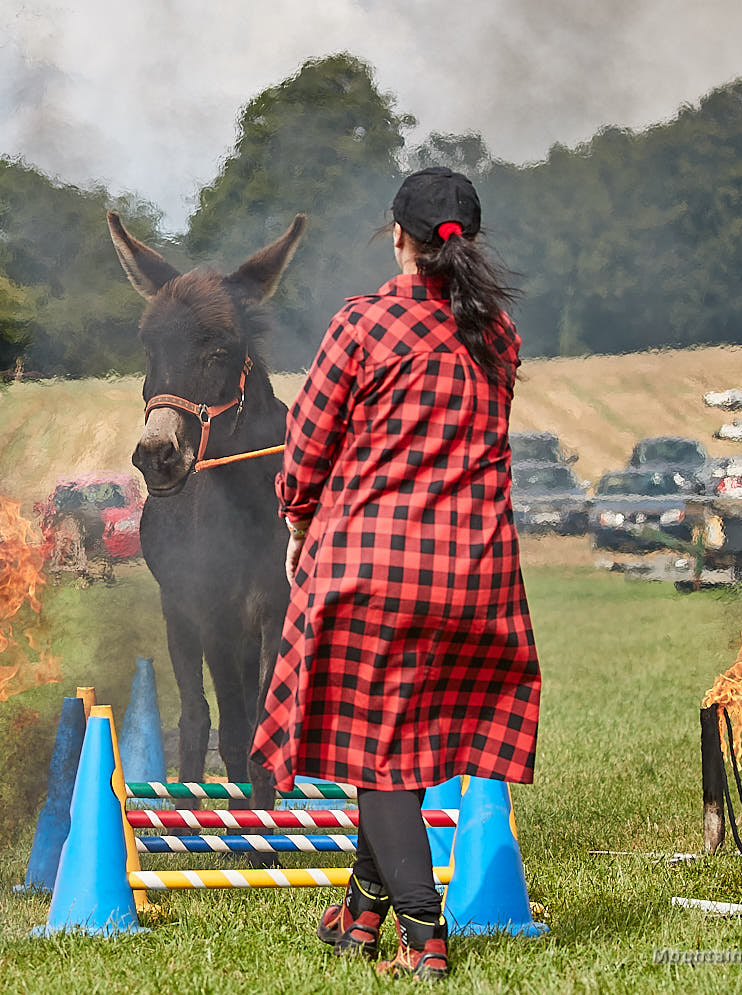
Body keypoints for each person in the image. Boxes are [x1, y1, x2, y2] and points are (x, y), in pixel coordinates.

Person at [250, 167, 542, 981]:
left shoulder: (363, 323)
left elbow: (308, 445)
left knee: (377, 756)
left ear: (398, 236)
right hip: (474, 572)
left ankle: (424, 933)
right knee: (403, 743)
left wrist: (298, 520)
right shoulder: (498, 334)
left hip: (375, 567)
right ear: (468, 241)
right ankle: (360, 912)